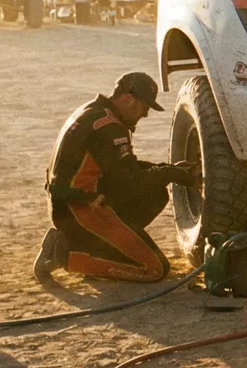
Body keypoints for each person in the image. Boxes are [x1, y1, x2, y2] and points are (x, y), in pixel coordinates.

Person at [34, 72, 195, 283]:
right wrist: (168, 173)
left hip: (70, 202)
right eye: (144, 108)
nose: (145, 115)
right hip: (79, 209)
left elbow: (123, 169)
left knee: (155, 194)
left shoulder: (95, 112)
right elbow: (129, 183)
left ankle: (94, 247)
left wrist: (167, 169)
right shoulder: (110, 127)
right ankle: (65, 254)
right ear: (129, 99)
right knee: (154, 268)